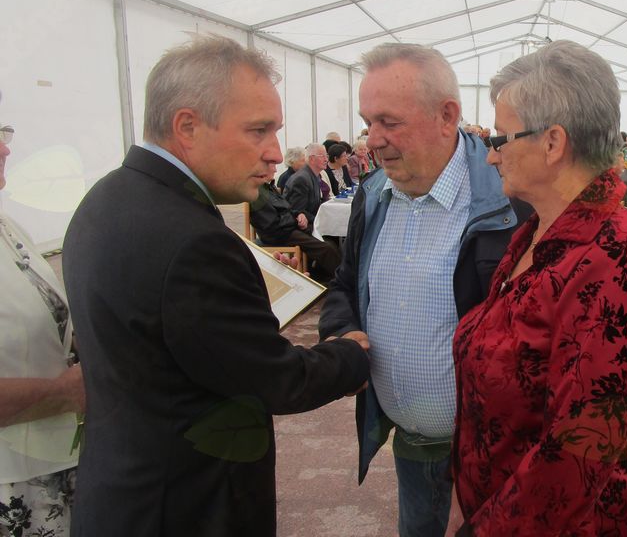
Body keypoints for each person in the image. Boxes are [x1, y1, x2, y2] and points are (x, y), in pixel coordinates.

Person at [62, 36, 369, 535]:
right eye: (258, 130)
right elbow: (273, 379)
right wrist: (351, 355)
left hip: (123, 489)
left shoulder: (107, 197)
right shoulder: (193, 241)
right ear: (187, 126)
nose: (274, 153)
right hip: (186, 507)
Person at [451, 39, 627, 536]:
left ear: (552, 142)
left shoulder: (615, 256)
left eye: (500, 139)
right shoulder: (538, 231)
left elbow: (581, 447)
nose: (491, 156)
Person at [317, 43, 524, 537]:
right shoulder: (373, 194)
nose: (372, 140)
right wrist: (343, 331)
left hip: (490, 456)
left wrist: (481, 467)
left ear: (446, 115)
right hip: (410, 447)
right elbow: (345, 284)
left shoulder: (509, 202)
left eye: (389, 122)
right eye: (368, 123)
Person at [0, 121, 84, 537]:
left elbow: (48, 321)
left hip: (54, 461)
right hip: (12, 482)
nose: (6, 150)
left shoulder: (8, 226)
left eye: (3, 134)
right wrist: (62, 393)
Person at [249, 179, 342, 282]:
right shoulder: (257, 192)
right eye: (272, 168)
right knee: (327, 248)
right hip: (280, 235)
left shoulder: (268, 187)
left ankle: (325, 276)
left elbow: (287, 209)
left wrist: (299, 215)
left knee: (329, 238)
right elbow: (271, 224)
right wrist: (295, 219)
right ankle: (342, 281)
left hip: (289, 228)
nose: (275, 171)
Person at [286, 142, 329, 223]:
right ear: (312, 159)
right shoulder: (302, 179)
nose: (326, 160)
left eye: (326, 156)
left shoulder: (313, 175)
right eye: (322, 156)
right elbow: (298, 211)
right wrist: (321, 221)